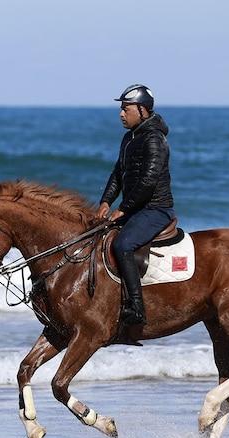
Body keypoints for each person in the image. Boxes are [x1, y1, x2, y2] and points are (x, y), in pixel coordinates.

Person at [96, 83, 175, 325]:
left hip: (156, 209)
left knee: (123, 245)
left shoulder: (154, 139)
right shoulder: (129, 138)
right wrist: (105, 202)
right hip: (136, 209)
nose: (121, 113)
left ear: (142, 110)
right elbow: (119, 173)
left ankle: (136, 308)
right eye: (121, 108)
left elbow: (148, 182)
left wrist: (123, 209)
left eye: (126, 108)